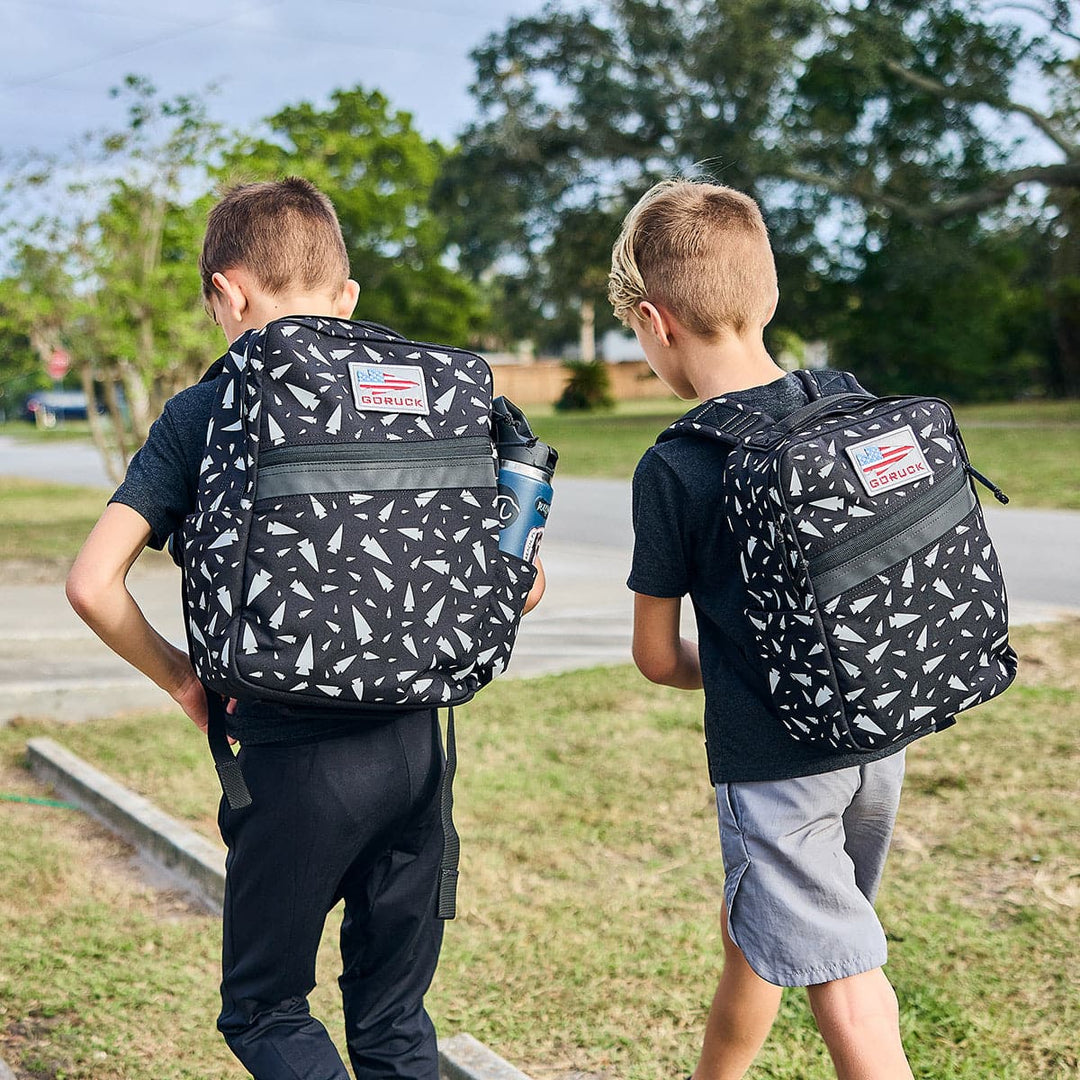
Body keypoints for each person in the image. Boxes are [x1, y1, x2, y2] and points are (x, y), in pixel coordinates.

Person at [66, 177, 545, 1080]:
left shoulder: (203, 412)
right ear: (346, 299)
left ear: (227, 293)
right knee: (395, 1021)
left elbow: (93, 584)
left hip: (294, 760)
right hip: (420, 752)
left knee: (266, 1009)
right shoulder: (426, 401)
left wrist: (180, 679)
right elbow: (522, 582)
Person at [609, 178, 917, 1080]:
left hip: (776, 764)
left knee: (845, 972)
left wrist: (753, 665)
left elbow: (657, 658)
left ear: (656, 320)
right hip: (878, 736)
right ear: (766, 296)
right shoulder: (846, 401)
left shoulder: (678, 463)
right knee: (768, 923)